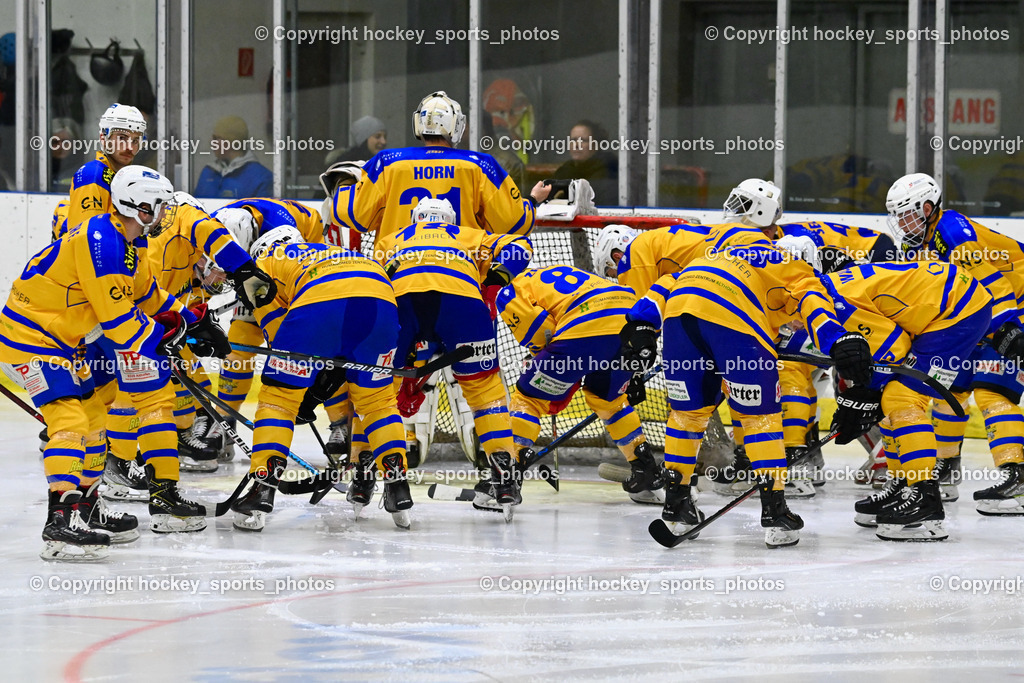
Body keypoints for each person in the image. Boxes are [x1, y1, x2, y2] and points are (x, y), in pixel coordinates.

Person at [0, 167, 231, 559]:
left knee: (93, 420)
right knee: (70, 421)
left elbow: (148, 294)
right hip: (29, 340)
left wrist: (194, 322)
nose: (161, 214)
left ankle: (86, 509)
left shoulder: (130, 242)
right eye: (155, 206)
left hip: (60, 343)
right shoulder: (103, 243)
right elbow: (120, 322)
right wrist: (167, 340)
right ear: (135, 205)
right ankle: (61, 522)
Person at [622, 225, 875, 548]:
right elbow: (815, 308)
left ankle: (677, 507)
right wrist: (840, 340)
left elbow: (669, 282)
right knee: (760, 418)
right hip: (735, 318)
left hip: (679, 315)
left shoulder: (719, 255)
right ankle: (775, 512)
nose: (793, 323)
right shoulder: (794, 268)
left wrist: (644, 323)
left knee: (687, 415)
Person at [229, 227, 411, 531]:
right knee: (379, 403)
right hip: (380, 305)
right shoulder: (337, 253)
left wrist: (303, 389)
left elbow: (278, 333)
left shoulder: (265, 262)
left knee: (279, 401)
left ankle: (263, 487)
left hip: (319, 305)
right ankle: (397, 484)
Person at [810, 253, 993, 541]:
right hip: (947, 306)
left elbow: (893, 348)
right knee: (888, 397)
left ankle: (925, 497)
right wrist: (865, 397)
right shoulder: (821, 295)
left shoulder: (836, 303)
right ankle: (902, 483)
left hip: (960, 310)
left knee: (900, 398)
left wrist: (863, 396)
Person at [374, 197, 532, 516]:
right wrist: (497, 276)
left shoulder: (392, 239)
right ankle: (504, 474)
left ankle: (374, 478)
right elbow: (522, 247)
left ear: (416, 219)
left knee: (376, 394)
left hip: (405, 302)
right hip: (463, 305)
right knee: (484, 392)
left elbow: (370, 282)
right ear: (450, 220)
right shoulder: (469, 235)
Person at [888, 172, 1024, 515]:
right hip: (979, 313)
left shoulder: (952, 229)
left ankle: (1017, 474)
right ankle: (947, 468)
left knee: (994, 389)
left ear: (929, 207)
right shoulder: (916, 245)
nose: (901, 223)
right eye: (897, 216)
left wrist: (1007, 330)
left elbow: (989, 280)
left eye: (907, 214)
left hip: (1012, 305)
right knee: (951, 387)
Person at [498, 264, 666, 506]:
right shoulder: (569, 271)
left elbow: (540, 330)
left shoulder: (509, 289)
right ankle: (647, 473)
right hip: (632, 325)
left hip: (585, 329)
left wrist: (545, 363)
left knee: (530, 399)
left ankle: (507, 479)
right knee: (611, 403)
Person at [331, 90, 548, 242]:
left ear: (419, 124)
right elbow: (513, 222)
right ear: (457, 125)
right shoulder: (481, 165)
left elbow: (351, 215)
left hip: (397, 276)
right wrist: (532, 200)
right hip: (460, 276)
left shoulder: (387, 162)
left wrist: (346, 181)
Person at [201, 198, 324, 459]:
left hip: (301, 272)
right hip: (257, 268)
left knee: (303, 347)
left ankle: (340, 426)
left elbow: (276, 292)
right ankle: (224, 421)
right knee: (238, 343)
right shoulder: (214, 225)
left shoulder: (280, 225)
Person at [193, 116, 272, 199]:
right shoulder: (208, 172)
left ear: (228, 142)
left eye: (216, 138)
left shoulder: (262, 178)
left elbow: (263, 210)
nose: (211, 142)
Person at [552, 120, 618, 205]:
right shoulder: (564, 171)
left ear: (596, 145)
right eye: (573, 140)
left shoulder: (607, 171)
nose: (576, 145)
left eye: (583, 140)